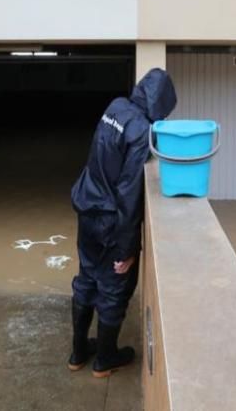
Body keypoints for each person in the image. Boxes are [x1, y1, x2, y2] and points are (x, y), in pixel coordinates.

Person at [68, 68, 177, 377]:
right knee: (114, 287)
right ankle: (104, 359)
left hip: (86, 208)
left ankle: (77, 353)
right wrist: (128, 250)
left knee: (86, 277)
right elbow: (129, 194)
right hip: (109, 221)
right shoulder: (142, 131)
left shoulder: (115, 106)